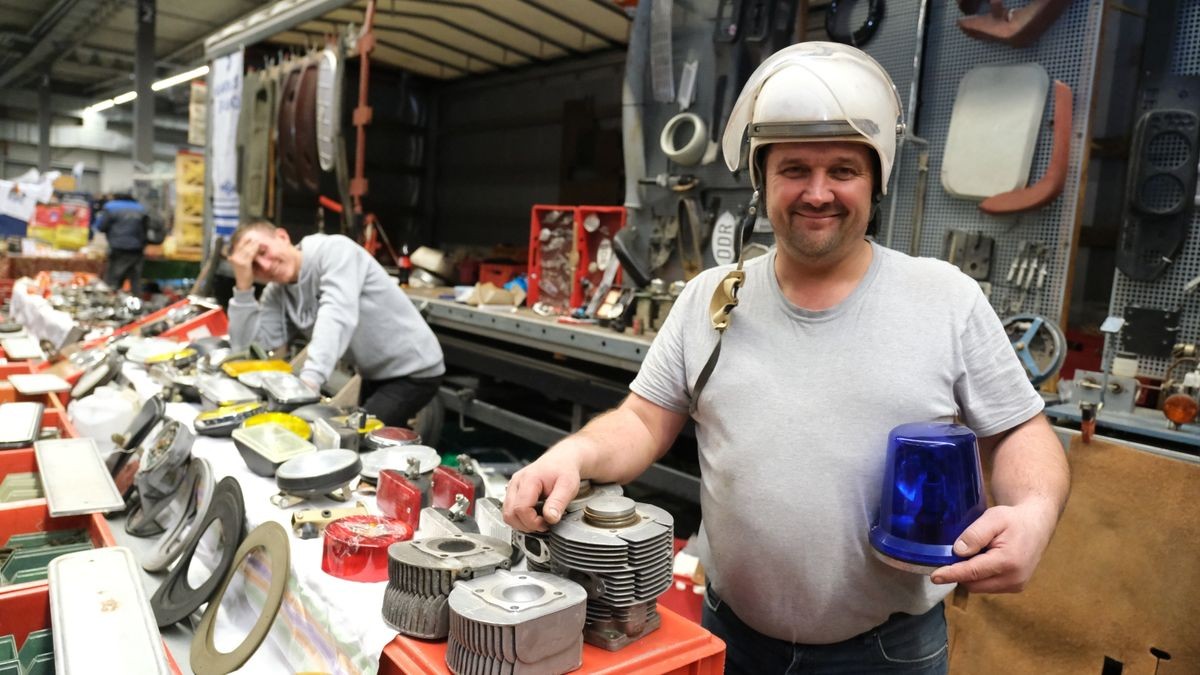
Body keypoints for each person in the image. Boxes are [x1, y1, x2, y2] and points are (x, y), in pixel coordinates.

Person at [503, 42, 1069, 674]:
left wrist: (1034, 513)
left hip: (887, 652)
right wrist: (573, 454)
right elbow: (641, 422)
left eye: (844, 170)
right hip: (730, 638)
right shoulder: (708, 300)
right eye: (794, 168)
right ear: (762, 181)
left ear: (876, 180)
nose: (818, 193)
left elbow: (1020, 432)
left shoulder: (946, 300)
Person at [226, 220, 445, 428]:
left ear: (282, 236)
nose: (265, 265)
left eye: (263, 252)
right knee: (372, 446)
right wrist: (243, 286)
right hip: (373, 373)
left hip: (414, 369)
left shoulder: (335, 252)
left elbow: (336, 314)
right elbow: (249, 351)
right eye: (253, 266)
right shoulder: (277, 293)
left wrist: (309, 382)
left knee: (359, 441)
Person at [94, 192, 148, 295]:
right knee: (135, 278)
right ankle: (137, 301)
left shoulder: (111, 207)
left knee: (113, 277)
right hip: (137, 248)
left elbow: (101, 226)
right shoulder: (140, 208)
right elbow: (146, 228)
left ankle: (111, 301)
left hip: (118, 247)